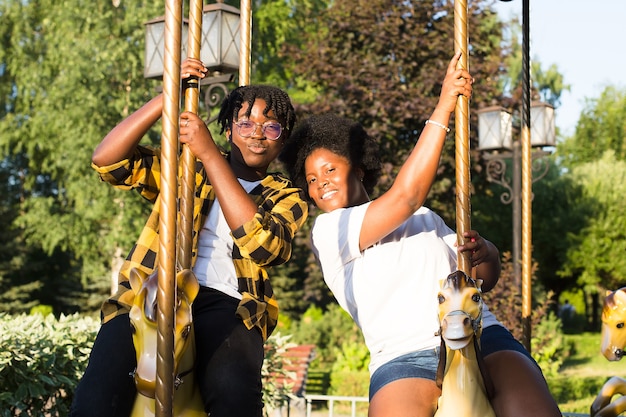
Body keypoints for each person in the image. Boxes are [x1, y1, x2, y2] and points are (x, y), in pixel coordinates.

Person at [279, 52, 561, 417]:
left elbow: (482, 280)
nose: (322, 183)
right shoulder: (331, 230)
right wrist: (444, 106)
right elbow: (407, 195)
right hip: (404, 355)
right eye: (312, 180)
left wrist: (486, 251)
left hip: (480, 335)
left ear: (360, 169)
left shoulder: (425, 219)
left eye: (331, 169)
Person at [70, 58, 308, 417]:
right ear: (228, 130)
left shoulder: (285, 194)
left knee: (235, 397)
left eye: (271, 127)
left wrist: (210, 154)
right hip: (151, 289)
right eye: (245, 123)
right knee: (95, 400)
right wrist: (167, 96)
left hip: (229, 302)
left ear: (283, 139)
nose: (257, 132)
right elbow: (108, 161)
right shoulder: (185, 169)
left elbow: (264, 246)